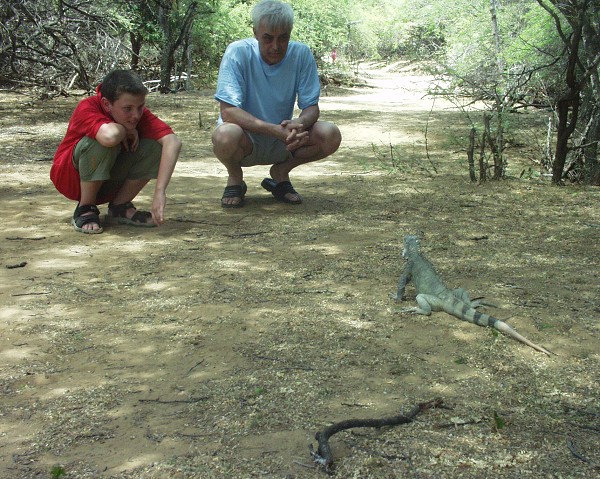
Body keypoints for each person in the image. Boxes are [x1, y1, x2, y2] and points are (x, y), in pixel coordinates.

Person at [212, 0, 341, 208]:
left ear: (290, 33)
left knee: (330, 134)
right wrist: (273, 129)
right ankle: (235, 177)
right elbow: (228, 113)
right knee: (224, 135)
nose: (276, 46)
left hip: (285, 138)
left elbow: (311, 107)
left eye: (283, 38)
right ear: (255, 33)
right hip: (246, 137)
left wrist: (299, 123)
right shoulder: (237, 52)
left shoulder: (301, 54)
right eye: (268, 38)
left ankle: (281, 173)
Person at [50, 69, 182, 234]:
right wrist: (124, 129)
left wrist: (160, 191)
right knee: (99, 142)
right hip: (71, 179)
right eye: (128, 108)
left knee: (156, 146)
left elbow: (173, 142)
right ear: (107, 104)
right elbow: (110, 137)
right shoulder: (88, 106)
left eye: (140, 107)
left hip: (107, 182)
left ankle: (120, 206)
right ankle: (85, 207)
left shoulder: (137, 114)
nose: (136, 115)